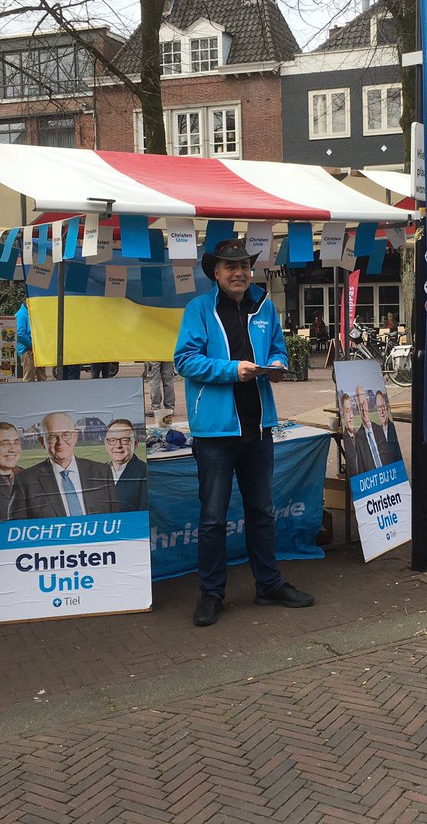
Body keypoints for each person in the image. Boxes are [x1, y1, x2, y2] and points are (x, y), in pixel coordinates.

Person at [174, 238, 314, 626]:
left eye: (244, 266)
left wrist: (276, 363)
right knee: (213, 518)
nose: (239, 273)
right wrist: (233, 370)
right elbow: (185, 360)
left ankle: (268, 585)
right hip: (215, 434)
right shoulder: (199, 309)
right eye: (229, 267)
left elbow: (280, 351)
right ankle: (211, 593)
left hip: (258, 429)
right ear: (215, 272)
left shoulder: (265, 305)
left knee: (261, 513)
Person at [11, 411, 118, 520]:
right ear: (42, 441)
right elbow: (16, 530)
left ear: (76, 436)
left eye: (66, 435)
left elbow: (116, 521)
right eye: (52, 437)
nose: (60, 442)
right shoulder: (24, 482)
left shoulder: (103, 473)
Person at [103, 418, 148, 512]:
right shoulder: (96, 473)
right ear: (105, 443)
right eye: (112, 440)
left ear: (135, 443)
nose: (118, 445)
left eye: (125, 440)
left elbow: (143, 519)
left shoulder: (145, 473)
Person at [355, 385, 394, 467]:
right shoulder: (358, 437)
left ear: (368, 405)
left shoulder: (379, 429)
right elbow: (360, 466)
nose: (363, 409)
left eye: (364, 404)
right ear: (357, 408)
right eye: (360, 406)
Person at [15, 302, 46, 382]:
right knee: (29, 377)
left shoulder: (31, 313)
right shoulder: (21, 314)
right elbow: (20, 334)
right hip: (27, 350)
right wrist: (32, 345)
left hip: (35, 349)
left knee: (41, 376)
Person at [373, 390, 402, 463]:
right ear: (376, 409)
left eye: (383, 406)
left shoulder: (394, 430)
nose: (382, 411)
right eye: (379, 407)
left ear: (387, 407)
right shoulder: (376, 432)